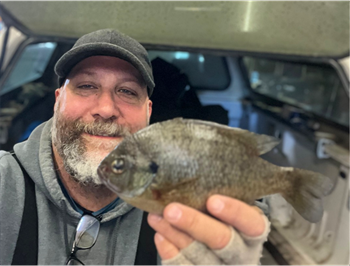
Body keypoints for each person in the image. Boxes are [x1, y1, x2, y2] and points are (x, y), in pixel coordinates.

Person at [0, 29, 270, 265]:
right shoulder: (4, 181)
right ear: (58, 101)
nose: (105, 109)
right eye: (86, 86)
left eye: (127, 91)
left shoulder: (183, 204)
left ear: (148, 111)